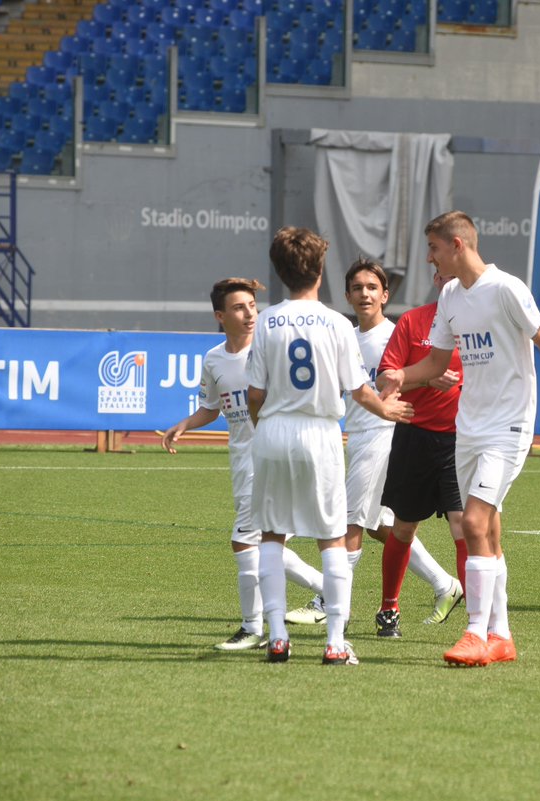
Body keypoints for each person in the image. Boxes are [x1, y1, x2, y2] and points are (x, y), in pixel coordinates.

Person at [378, 210, 540, 667]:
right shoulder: (450, 295)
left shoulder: (507, 288)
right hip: (469, 427)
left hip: (508, 427)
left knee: (472, 521)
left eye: (434, 249)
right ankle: (502, 636)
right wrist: (399, 376)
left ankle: (474, 632)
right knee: (489, 529)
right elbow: (435, 365)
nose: (430, 258)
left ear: (457, 246)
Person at [247, 227, 412, 664]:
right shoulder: (338, 324)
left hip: (273, 430)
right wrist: (386, 411)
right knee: (333, 538)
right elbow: (359, 390)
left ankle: (278, 635)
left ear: (281, 273)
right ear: (320, 271)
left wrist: (263, 430)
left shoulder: (265, 321)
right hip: (320, 432)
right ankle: (336, 642)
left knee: (271, 534)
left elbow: (255, 394)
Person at [285, 258, 461, 634]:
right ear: (347, 295)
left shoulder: (394, 334)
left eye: (371, 287)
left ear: (385, 294)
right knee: (386, 526)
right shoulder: (347, 334)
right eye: (357, 288)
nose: (364, 294)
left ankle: (330, 603)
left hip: (386, 435)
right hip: (358, 434)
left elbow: (418, 376)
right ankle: (444, 584)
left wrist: (422, 383)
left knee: (349, 521)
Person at [160, 277, 334, 652]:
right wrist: (186, 424)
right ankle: (327, 591)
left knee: (244, 541)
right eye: (240, 307)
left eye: (253, 305)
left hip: (273, 456)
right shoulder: (214, 359)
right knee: (265, 543)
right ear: (220, 316)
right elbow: (213, 407)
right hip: (242, 460)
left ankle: (252, 628)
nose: (250, 313)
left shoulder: (271, 348)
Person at [375, 267, 467, 639]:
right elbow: (385, 378)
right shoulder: (414, 322)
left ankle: (478, 623)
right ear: (435, 281)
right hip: (414, 437)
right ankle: (388, 609)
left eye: (457, 278)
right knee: (403, 527)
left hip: (462, 442)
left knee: (466, 526)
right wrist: (426, 378)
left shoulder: (481, 326)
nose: (450, 283)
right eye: (443, 276)